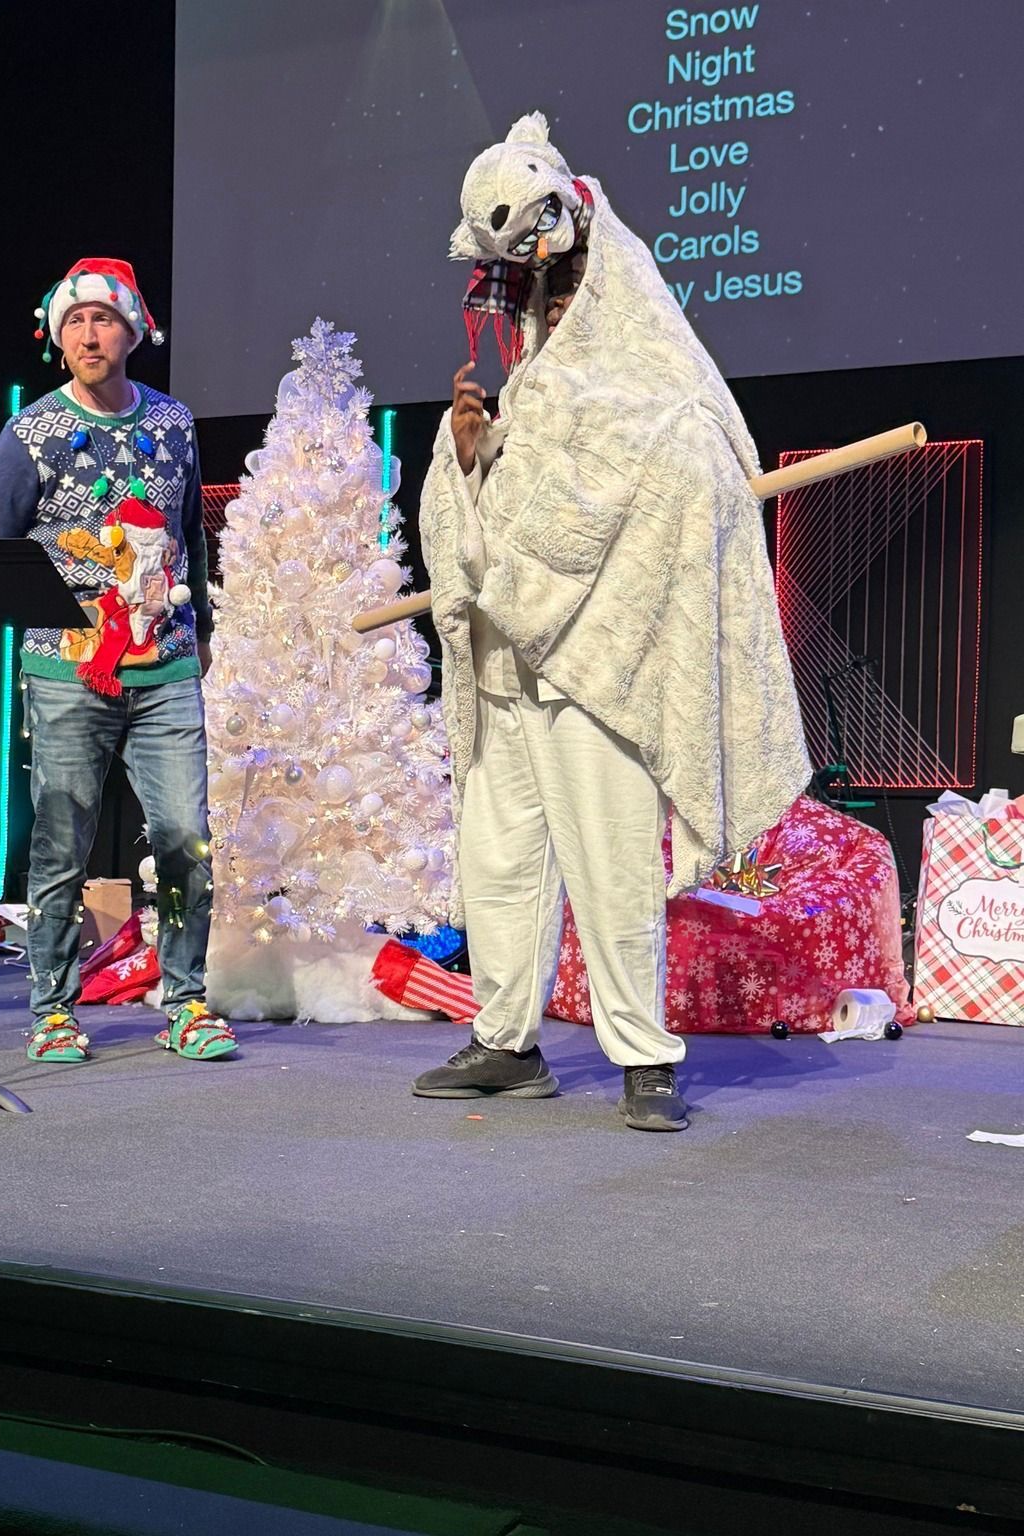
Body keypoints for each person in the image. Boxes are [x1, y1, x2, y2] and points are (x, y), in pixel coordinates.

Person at [411, 114, 809, 1129]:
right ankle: (506, 1044)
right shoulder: (532, 387)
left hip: (601, 662)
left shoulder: (662, 392)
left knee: (611, 861)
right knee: (500, 860)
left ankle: (644, 1060)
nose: (541, 302)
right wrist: (470, 458)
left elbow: (693, 495)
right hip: (510, 657)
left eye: (554, 277)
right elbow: (494, 518)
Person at [0, 257, 236, 1064]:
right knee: (61, 839)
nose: (89, 335)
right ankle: (52, 1008)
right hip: (67, 670)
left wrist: (199, 623)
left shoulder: (173, 422)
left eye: (104, 319)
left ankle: (187, 999)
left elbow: (188, 534)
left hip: (164, 667)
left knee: (183, 835)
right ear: (56, 336)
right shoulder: (34, 432)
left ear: (133, 329)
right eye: (75, 322)